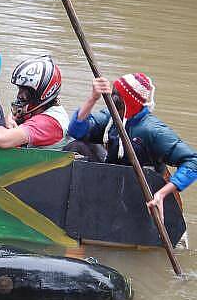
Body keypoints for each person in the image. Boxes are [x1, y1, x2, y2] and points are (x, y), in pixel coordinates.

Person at [68, 73, 197, 216]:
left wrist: (161, 193)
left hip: (140, 193)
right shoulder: (110, 119)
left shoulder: (153, 130)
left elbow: (192, 162)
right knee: (77, 145)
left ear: (125, 101)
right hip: (113, 183)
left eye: (116, 94)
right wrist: (92, 99)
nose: (111, 98)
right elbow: (76, 130)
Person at [0, 55, 69, 149]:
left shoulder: (48, 122)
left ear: (42, 92)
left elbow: (0, 139)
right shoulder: (39, 108)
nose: (20, 95)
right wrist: (9, 119)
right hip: (32, 156)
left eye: (26, 91)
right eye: (20, 89)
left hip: (44, 163)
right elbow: (14, 114)